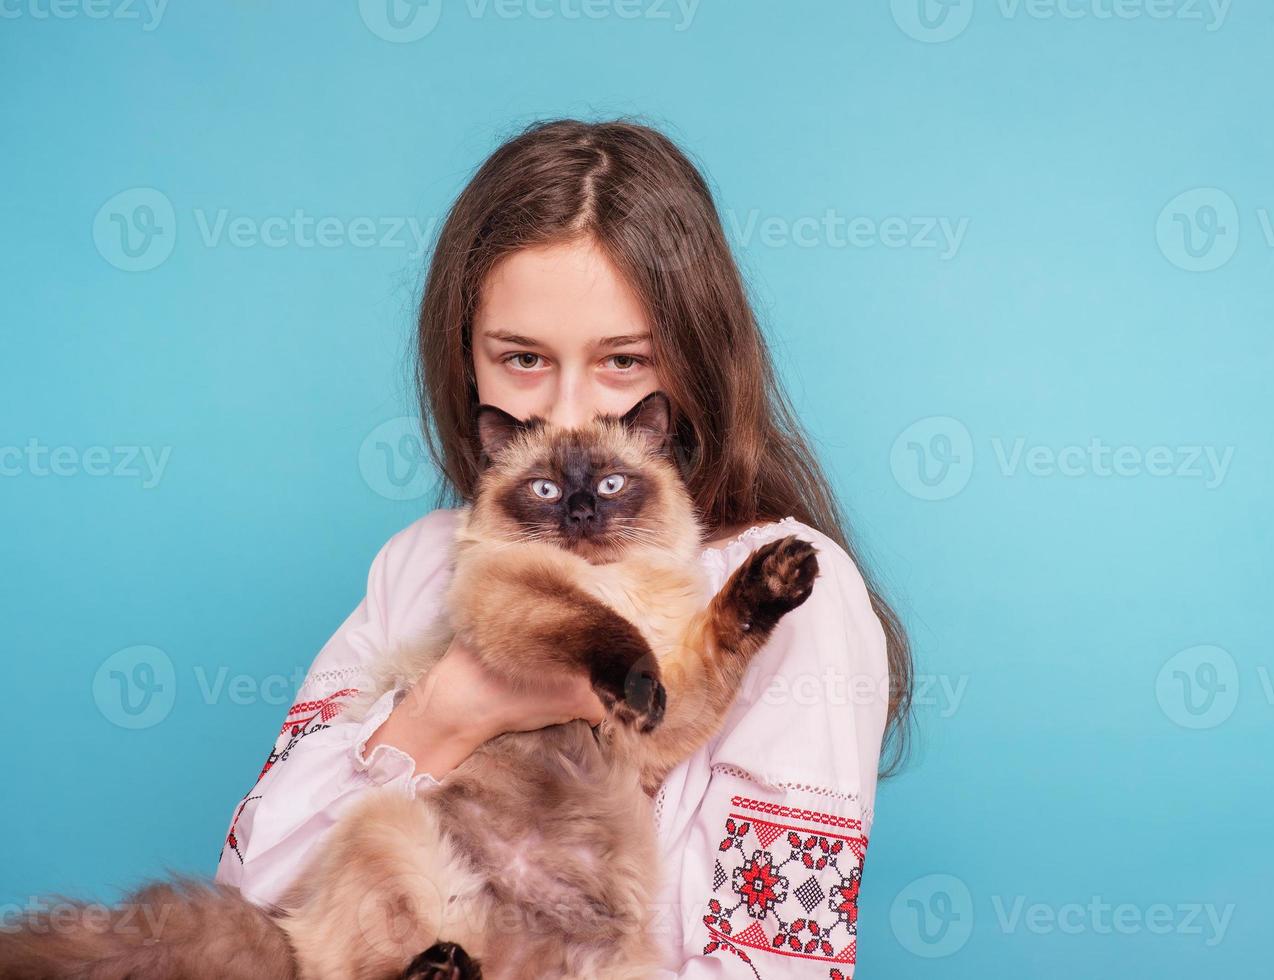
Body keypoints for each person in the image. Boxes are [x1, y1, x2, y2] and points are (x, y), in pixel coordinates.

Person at [214, 118, 914, 977]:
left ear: (690, 362)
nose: (573, 412)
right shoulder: (421, 564)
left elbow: (779, 962)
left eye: (622, 362)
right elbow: (252, 891)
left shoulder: (789, 591)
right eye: (523, 359)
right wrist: (449, 713)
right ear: (466, 363)